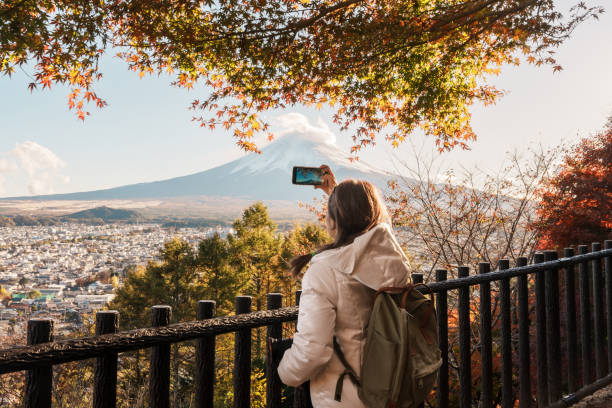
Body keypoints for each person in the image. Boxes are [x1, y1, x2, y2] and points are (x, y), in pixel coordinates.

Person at [277, 165, 412, 407]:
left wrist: (285, 372)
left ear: (332, 221)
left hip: (346, 396)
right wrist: (336, 193)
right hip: (392, 389)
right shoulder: (395, 262)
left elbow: (313, 351)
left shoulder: (325, 270)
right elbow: (367, 234)